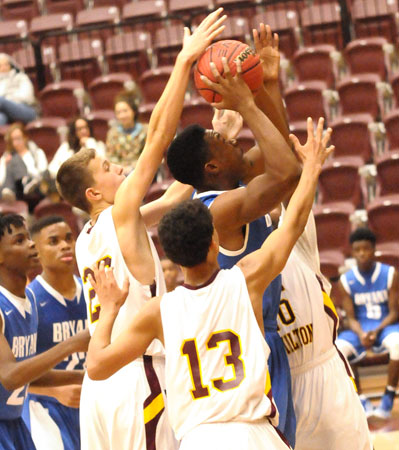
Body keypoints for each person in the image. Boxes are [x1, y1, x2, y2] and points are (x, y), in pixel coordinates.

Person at [85, 114, 332, 449]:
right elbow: (292, 225)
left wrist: (110, 311)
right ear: (215, 242)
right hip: (251, 432)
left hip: (197, 439)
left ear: (170, 257)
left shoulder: (160, 311)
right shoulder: (246, 281)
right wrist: (312, 170)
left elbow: (97, 366)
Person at [56, 10, 227, 450]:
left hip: (101, 386)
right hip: (138, 377)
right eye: (110, 168)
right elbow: (156, 138)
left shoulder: (87, 237)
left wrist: (218, 138)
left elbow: (171, 200)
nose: (122, 169)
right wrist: (183, 63)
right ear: (94, 192)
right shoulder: (123, 211)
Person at [166, 25, 299, 446]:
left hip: (257, 344)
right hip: (249, 355)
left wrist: (267, 85)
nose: (235, 141)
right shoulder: (219, 211)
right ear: (211, 168)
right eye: (224, 141)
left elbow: (285, 149)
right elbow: (289, 172)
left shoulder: (235, 187)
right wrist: (248, 100)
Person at [273, 194, 372, 446]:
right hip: (284, 383)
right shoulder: (238, 266)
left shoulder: (297, 242)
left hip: (325, 370)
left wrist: (308, 165)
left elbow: (294, 188)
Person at [0, 213, 89, 450]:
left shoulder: (27, 299)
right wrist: (73, 344)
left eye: (29, 238)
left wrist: (87, 378)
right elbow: (9, 376)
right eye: (19, 241)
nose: (30, 244)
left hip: (14, 421)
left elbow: (31, 374)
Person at [336, 227, 399, 419]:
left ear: (374, 249)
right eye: (357, 250)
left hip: (385, 326)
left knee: (398, 343)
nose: (362, 253)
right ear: (352, 252)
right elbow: (351, 318)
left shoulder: (390, 274)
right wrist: (362, 333)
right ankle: (360, 397)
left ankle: (388, 396)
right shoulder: (345, 280)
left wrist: (377, 330)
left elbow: (395, 312)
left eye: (366, 249)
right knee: (339, 349)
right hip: (360, 329)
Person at [0, 122, 47, 205]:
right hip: (15, 190)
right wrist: (5, 165)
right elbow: (1, 179)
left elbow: (43, 173)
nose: (15, 143)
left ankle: (25, 182)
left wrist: (29, 175)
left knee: (15, 160)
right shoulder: (7, 157)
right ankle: (22, 183)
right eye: (13, 140)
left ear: (25, 137)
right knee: (14, 160)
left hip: (35, 188)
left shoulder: (37, 153)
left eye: (18, 138)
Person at [105, 89, 148, 172]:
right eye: (118, 112)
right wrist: (122, 169)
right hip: (120, 173)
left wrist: (132, 168)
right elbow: (111, 157)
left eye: (125, 111)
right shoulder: (112, 133)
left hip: (141, 171)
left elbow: (148, 156)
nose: (122, 116)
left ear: (134, 111)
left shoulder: (146, 130)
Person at [0, 53, 36, 125]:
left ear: (11, 65)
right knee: (1, 118)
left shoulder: (21, 77)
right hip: (4, 111)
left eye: (6, 64)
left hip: (24, 109)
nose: (4, 67)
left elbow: (27, 97)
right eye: (0, 65)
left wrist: (7, 100)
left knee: (1, 100)